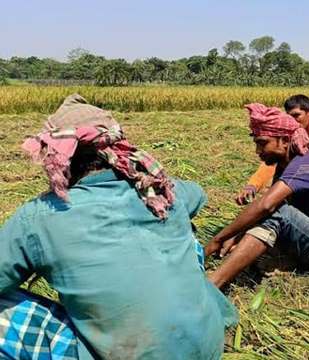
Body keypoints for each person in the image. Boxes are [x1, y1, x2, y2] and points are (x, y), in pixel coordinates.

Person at [0, 94, 236, 359]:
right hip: (207, 348)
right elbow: (198, 194)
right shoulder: (161, 192)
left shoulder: (40, 216)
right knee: (187, 239)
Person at [206, 103, 309, 288]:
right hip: (308, 237)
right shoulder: (284, 167)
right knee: (270, 213)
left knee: (278, 212)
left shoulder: (306, 165)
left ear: (285, 140)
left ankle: (213, 284)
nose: (258, 152)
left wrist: (218, 239)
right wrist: (236, 235)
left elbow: (266, 205)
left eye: (262, 143)